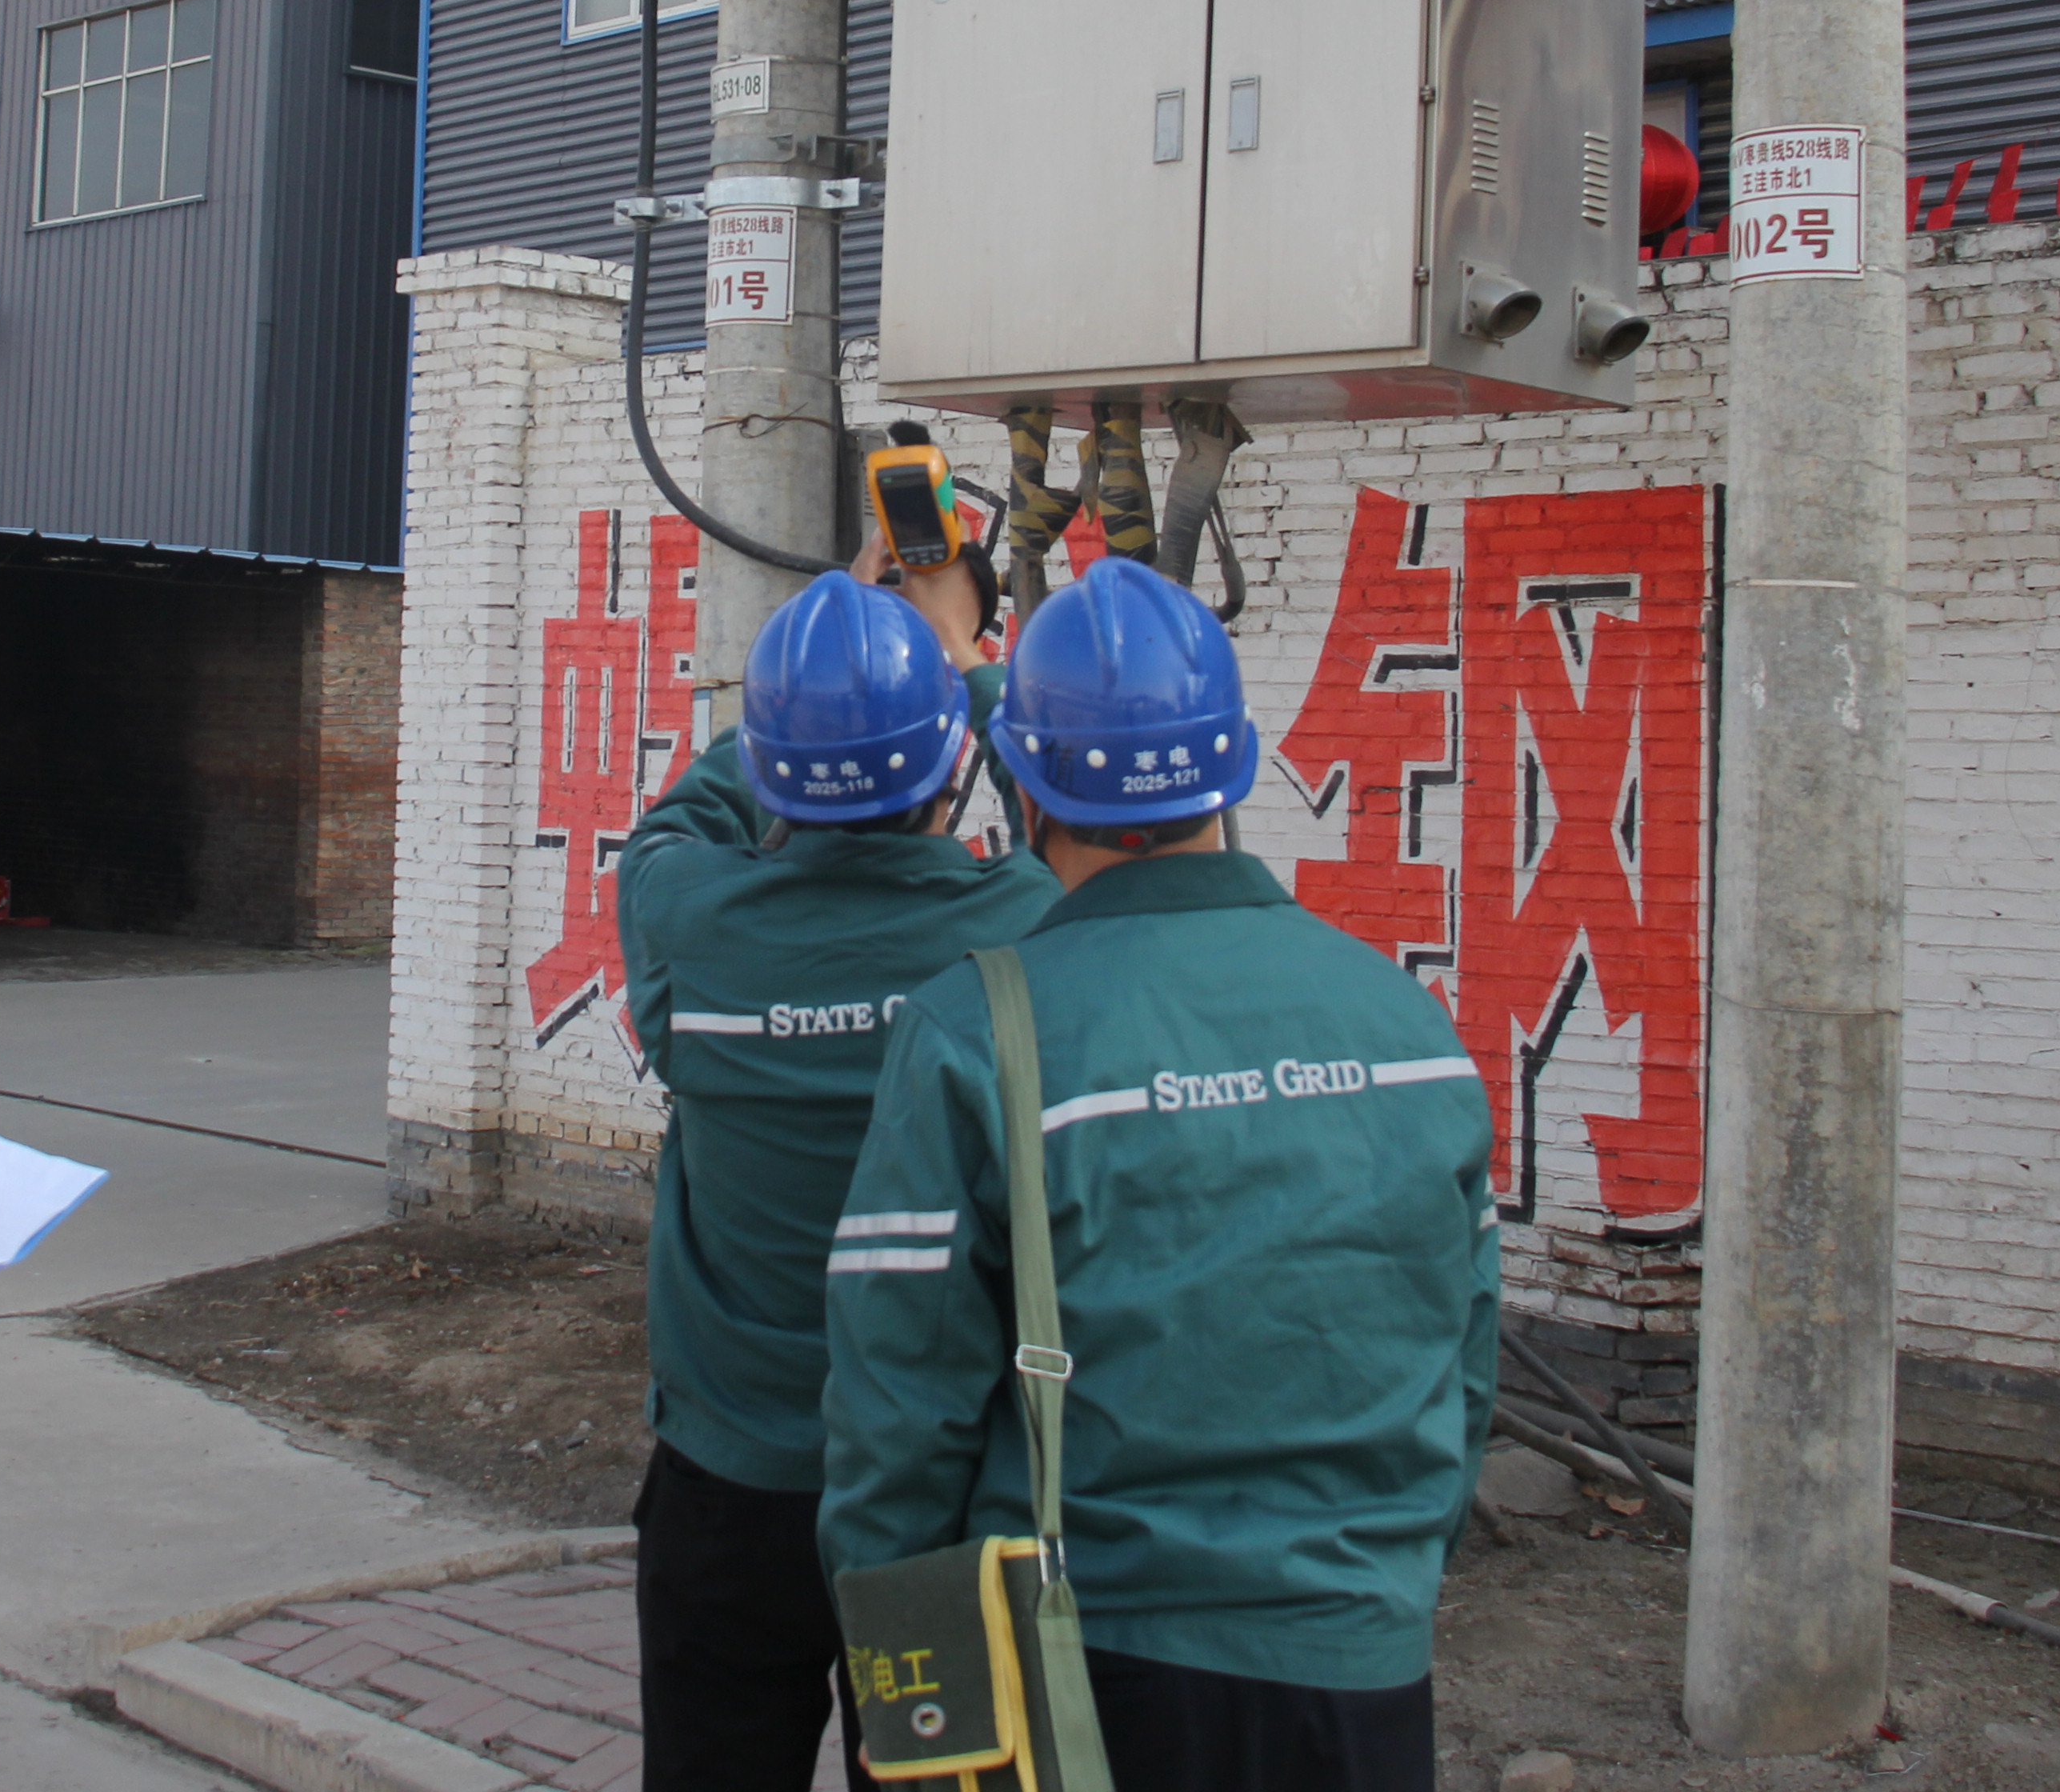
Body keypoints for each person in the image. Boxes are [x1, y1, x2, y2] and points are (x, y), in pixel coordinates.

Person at [818, 556, 1498, 1792]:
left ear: (1026, 785)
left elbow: (899, 1405)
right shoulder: (1408, 1023)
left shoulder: (978, 1030)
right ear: (1232, 768)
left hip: (1088, 1673)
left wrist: (906, 1675)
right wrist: (1380, 1578)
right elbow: (1464, 1354)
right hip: (1363, 1666)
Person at [618, 542, 1058, 1792]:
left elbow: (683, 820)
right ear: (948, 766)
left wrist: (817, 681)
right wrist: (957, 655)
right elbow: (1057, 819)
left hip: (728, 1485)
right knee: (932, 1777)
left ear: (773, 768)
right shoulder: (1021, 930)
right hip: (933, 1496)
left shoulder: (689, 924)